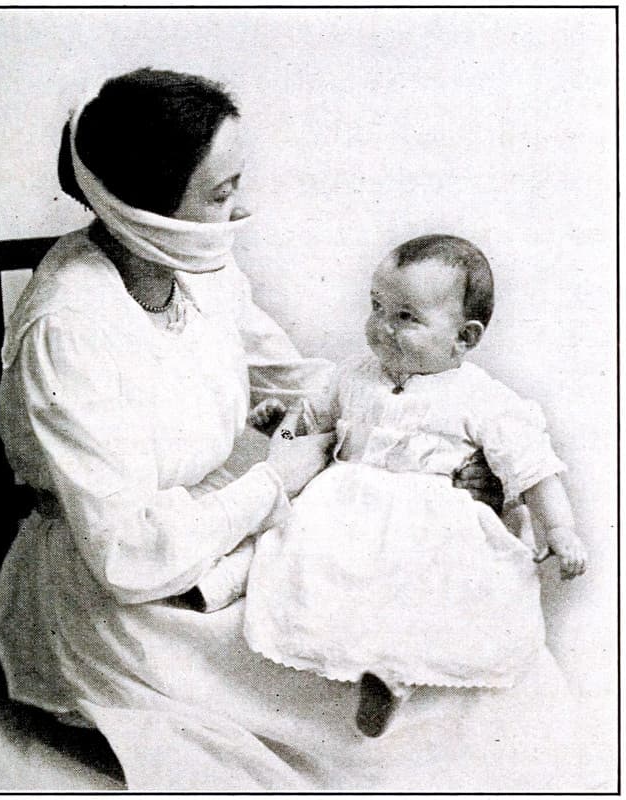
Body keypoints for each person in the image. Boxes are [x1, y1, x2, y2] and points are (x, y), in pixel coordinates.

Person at [0, 69, 584, 791]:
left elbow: (294, 378)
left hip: (216, 535)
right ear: (151, 207)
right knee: (384, 695)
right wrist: (275, 480)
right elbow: (126, 555)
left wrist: (424, 435)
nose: (240, 207)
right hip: (120, 595)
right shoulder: (67, 331)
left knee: (436, 643)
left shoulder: (196, 265)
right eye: (220, 193)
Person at [243, 234, 588, 738]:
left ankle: (391, 678)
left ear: (464, 338)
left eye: (405, 318)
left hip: (430, 521)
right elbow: (308, 420)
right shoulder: (353, 375)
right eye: (377, 307)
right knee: (306, 558)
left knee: (419, 589)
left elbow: (533, 468)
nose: (381, 327)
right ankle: (308, 639)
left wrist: (560, 529)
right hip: (345, 506)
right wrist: (282, 428)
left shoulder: (483, 399)